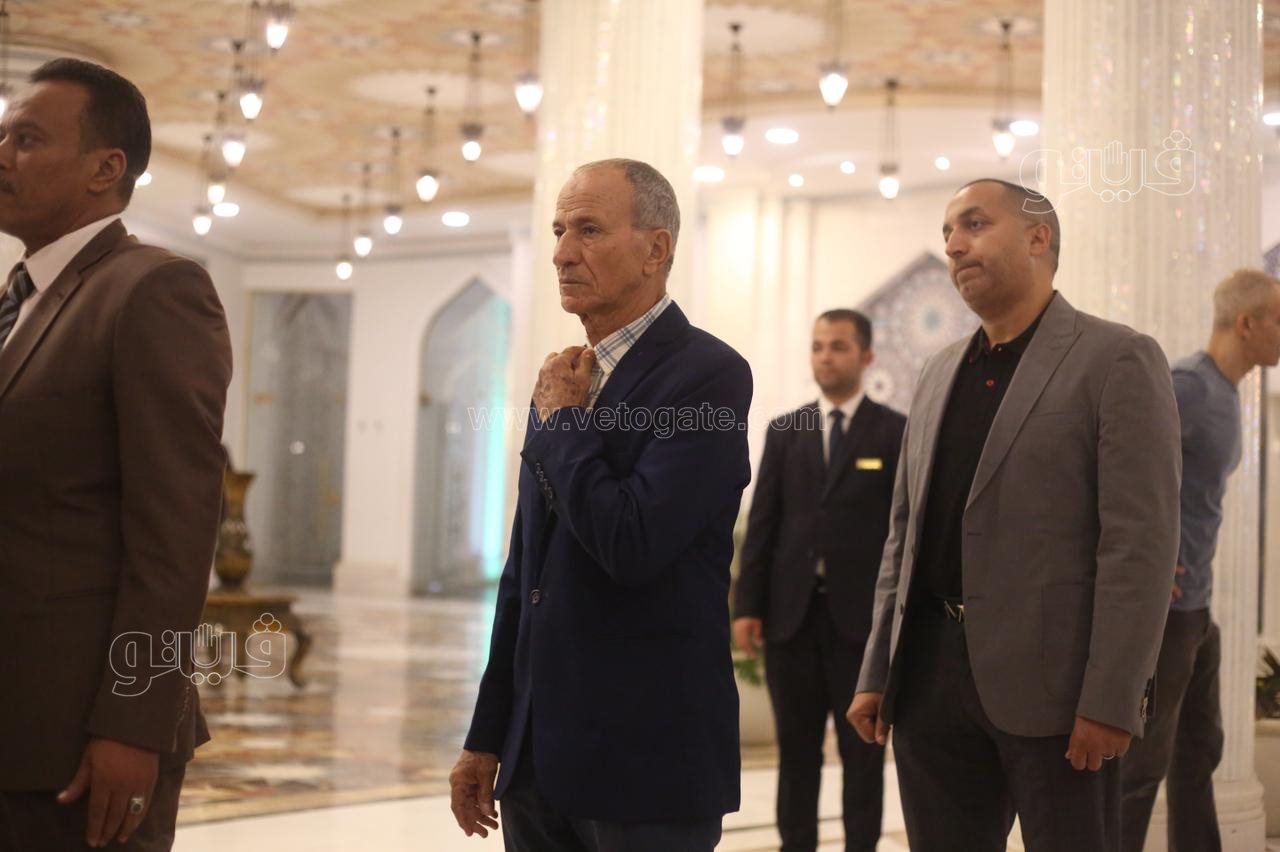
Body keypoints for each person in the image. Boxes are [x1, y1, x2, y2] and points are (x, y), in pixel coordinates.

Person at [846, 178, 1181, 852]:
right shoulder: (938, 371)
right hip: (930, 679)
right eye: (947, 232)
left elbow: (1138, 546)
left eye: (974, 224)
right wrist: (879, 669)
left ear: (1037, 238)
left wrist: (1112, 699)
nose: (953, 245)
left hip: (1058, 690)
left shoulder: (1115, 358)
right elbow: (904, 536)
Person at [448, 158, 752, 851]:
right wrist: (487, 736)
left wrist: (563, 423)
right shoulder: (565, 377)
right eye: (559, 230)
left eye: (588, 229)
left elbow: (632, 542)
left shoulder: (708, 375)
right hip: (535, 762)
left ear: (655, 249)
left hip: (644, 764)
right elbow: (524, 575)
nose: (561, 252)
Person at [0, 59, 232, 850]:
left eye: (27, 139)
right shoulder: (20, 302)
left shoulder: (153, 290)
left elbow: (177, 532)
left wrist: (135, 724)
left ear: (106, 168)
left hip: (74, 740)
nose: (3, 154)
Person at [1120, 269, 1280, 852]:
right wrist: (1148, 562)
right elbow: (1118, 464)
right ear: (1247, 323)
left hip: (1195, 609)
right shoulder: (1189, 385)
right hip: (1167, 612)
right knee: (1142, 768)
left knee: (1199, 750)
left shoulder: (1227, 392)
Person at [733, 309, 904, 852]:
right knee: (797, 753)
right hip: (792, 620)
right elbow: (764, 524)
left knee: (863, 753)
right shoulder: (788, 430)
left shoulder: (894, 430)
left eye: (838, 346)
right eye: (818, 346)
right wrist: (746, 607)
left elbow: (904, 530)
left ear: (866, 356)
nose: (825, 357)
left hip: (862, 625)